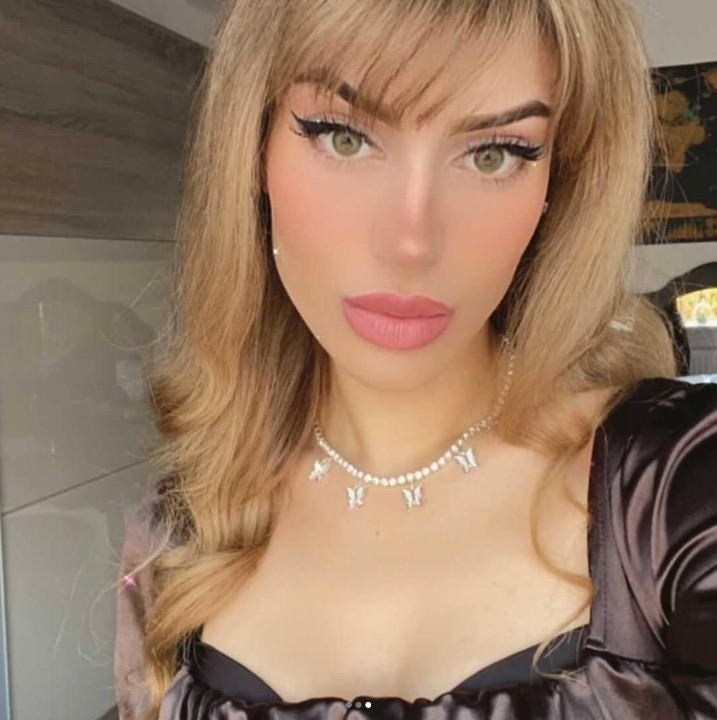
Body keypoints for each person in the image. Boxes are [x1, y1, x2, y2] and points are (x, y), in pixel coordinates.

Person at [114, 0, 717, 718]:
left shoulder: (678, 493)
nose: (411, 243)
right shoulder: (180, 531)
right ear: (252, 151)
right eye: (343, 137)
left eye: (494, 153)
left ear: (558, 184)